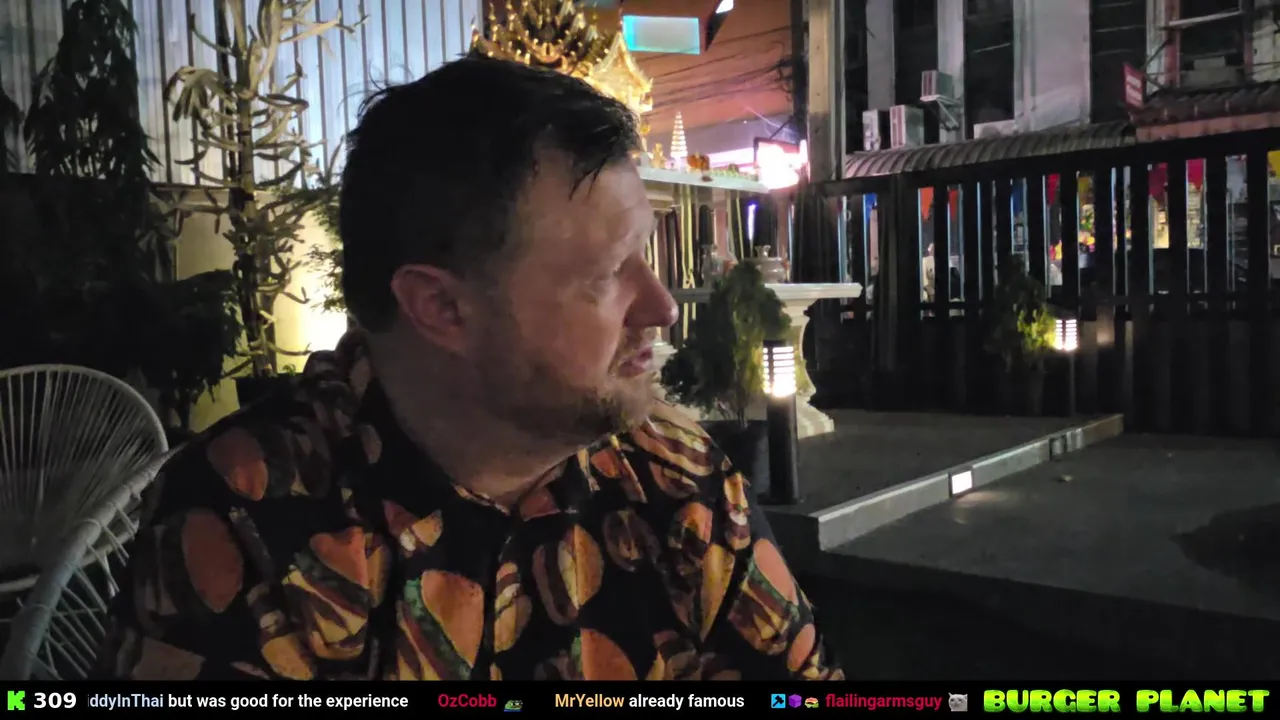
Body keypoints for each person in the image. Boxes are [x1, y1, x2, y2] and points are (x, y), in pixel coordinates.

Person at [96, 56, 842, 681]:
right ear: (441, 308)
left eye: (644, 255)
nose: (661, 307)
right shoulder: (247, 517)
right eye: (605, 275)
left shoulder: (678, 481)